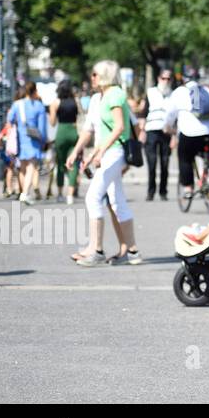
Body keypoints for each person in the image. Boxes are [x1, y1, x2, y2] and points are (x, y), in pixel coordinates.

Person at [66, 61, 143, 267]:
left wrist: (97, 152)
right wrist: (76, 152)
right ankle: (132, 251)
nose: (91, 77)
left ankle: (96, 249)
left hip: (114, 152)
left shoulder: (116, 94)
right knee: (117, 201)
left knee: (93, 197)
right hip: (106, 152)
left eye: (94, 74)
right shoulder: (96, 99)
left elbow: (119, 128)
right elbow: (88, 130)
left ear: (105, 75)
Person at [165, 71, 209, 201]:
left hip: (191, 133)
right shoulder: (207, 91)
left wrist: (167, 128)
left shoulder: (179, 92)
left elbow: (169, 115)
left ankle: (188, 188)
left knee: (185, 157)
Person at [11, 82, 49, 204]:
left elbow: (9, 119)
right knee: (32, 167)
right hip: (34, 140)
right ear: (34, 91)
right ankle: (25, 193)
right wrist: (43, 140)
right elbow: (42, 127)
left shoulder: (17, 104)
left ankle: (23, 192)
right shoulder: (38, 106)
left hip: (20, 139)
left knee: (22, 168)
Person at [49, 80, 82, 205]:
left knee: (61, 164)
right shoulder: (75, 101)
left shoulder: (55, 103)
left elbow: (52, 122)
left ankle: (60, 194)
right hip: (73, 132)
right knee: (73, 163)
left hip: (61, 132)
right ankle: (70, 195)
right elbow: (80, 115)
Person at [144, 70, 174, 200]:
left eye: (168, 79)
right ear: (158, 78)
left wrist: (175, 135)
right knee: (152, 163)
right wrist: (141, 132)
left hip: (166, 132)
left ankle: (163, 192)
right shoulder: (151, 92)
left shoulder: (173, 95)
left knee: (165, 163)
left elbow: (175, 116)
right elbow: (144, 112)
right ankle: (151, 192)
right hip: (151, 129)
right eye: (163, 78)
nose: (166, 81)